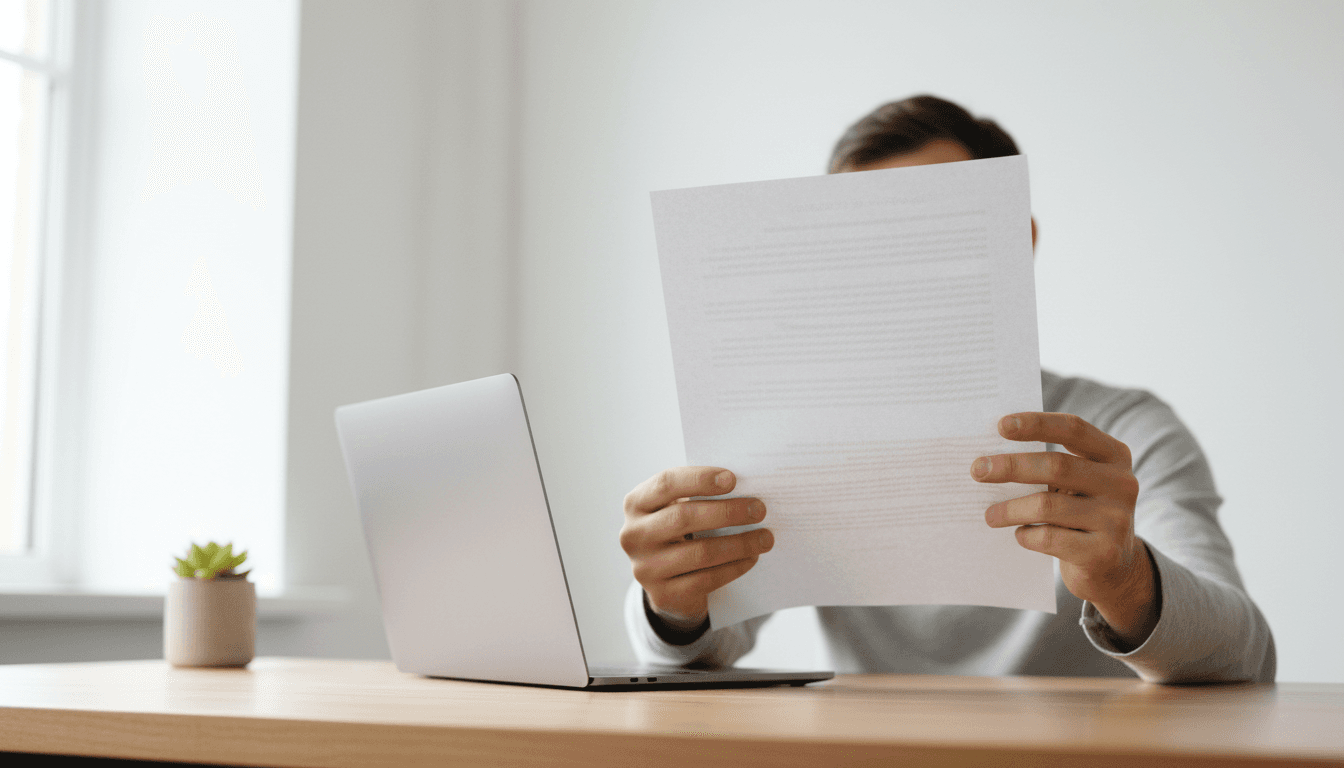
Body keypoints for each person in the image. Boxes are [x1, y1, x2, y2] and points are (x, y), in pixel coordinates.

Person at [620, 95, 1275, 683]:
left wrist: (1127, 579)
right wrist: (673, 603)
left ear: (1017, 241)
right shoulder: (797, 438)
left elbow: (1245, 658)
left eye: (929, 229)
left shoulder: (1125, 431)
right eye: (863, 239)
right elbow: (700, 651)